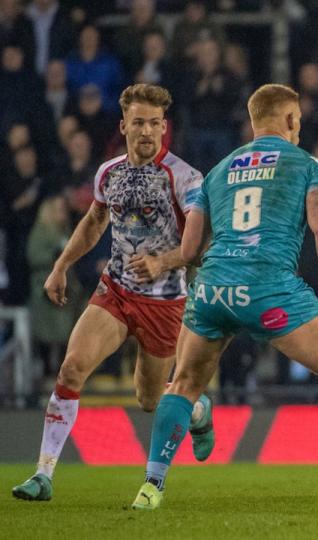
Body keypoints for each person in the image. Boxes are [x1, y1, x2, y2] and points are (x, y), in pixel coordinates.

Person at [130, 84, 318, 510]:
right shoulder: (308, 165)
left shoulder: (216, 172)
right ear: (291, 120)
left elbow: (190, 249)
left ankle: (151, 486)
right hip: (269, 291)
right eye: (299, 121)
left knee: (182, 386)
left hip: (213, 290)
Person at [12, 84, 214, 502]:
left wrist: (164, 261)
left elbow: (202, 243)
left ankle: (197, 410)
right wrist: (61, 266)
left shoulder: (185, 177)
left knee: (150, 399)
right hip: (116, 292)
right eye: (139, 122)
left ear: (164, 127)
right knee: (71, 369)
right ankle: (43, 474)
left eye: (155, 123)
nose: (147, 131)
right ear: (123, 126)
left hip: (164, 302)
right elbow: (94, 221)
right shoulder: (109, 172)